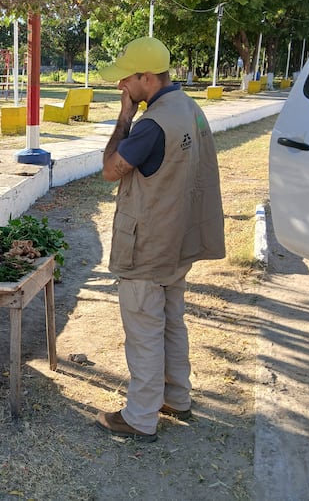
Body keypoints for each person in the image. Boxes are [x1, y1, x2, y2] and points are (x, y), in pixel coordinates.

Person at [94, 37, 225, 442]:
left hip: (148, 243)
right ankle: (177, 396)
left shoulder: (150, 124)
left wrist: (124, 119)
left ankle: (139, 416)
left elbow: (110, 170)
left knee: (144, 328)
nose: (122, 88)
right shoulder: (190, 108)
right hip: (179, 237)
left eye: (126, 81)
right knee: (171, 321)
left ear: (146, 77)